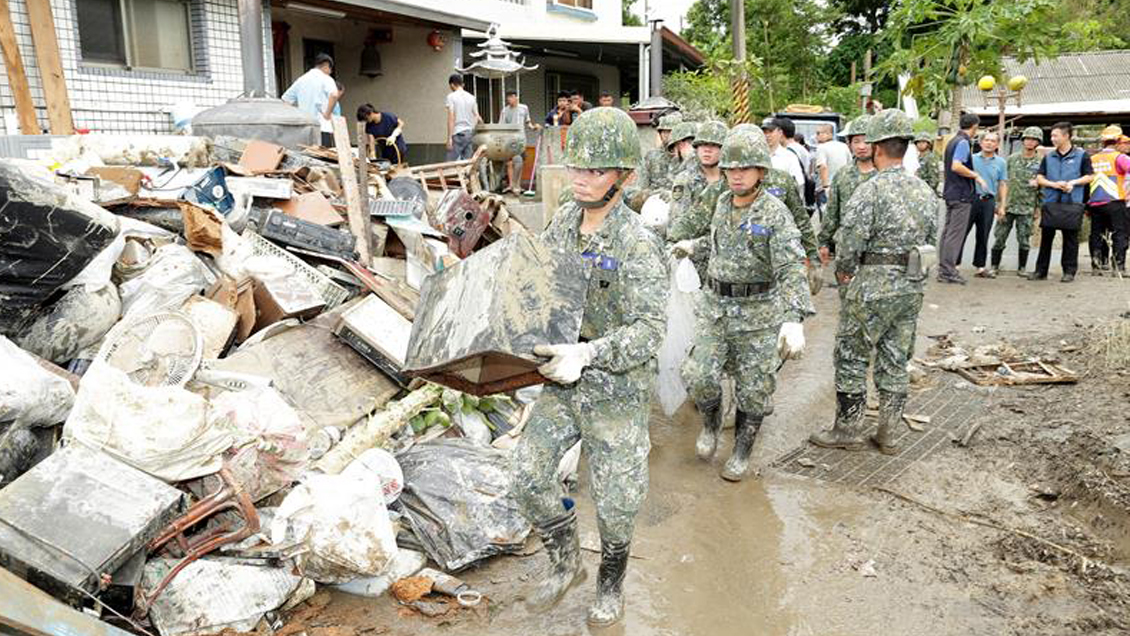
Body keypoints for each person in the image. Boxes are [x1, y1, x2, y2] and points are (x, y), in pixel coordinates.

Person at [511, 107, 666, 627]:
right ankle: (565, 563)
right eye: (576, 167)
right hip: (561, 376)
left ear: (623, 177)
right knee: (528, 476)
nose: (581, 179)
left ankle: (610, 582)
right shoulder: (562, 222)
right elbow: (539, 284)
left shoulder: (638, 243)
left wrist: (590, 354)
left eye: (595, 171)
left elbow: (650, 330)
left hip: (615, 386)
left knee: (618, 503)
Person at [672, 125, 813, 481]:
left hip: (758, 312)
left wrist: (794, 317)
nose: (736, 176)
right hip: (715, 305)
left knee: (754, 390)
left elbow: (790, 265)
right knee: (698, 374)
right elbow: (720, 244)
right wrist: (695, 246)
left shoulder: (774, 213)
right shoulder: (720, 202)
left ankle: (741, 451)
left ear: (760, 172)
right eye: (731, 169)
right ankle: (711, 422)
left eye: (744, 169)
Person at [809, 109, 938, 453]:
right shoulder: (924, 191)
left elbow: (849, 242)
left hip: (871, 285)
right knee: (895, 357)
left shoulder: (870, 190)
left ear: (878, 147)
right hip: (911, 285)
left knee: (851, 354)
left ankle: (848, 429)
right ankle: (889, 433)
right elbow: (931, 239)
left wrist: (845, 273)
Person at [1032, 121, 1093, 282]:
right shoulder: (1049, 156)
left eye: (1055, 135)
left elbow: (1090, 176)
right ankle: (1040, 271)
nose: (1052, 139)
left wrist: (1072, 183)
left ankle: (1069, 271)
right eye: (1052, 135)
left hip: (1072, 202)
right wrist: (1053, 184)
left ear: (1066, 136)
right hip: (1051, 202)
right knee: (1046, 238)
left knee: (1070, 239)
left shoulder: (1081, 155)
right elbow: (1039, 177)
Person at [667, 121, 728, 277]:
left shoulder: (733, 180)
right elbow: (678, 224)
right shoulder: (685, 180)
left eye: (714, 145)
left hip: (727, 260)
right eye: (702, 145)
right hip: (695, 262)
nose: (707, 150)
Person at [818, 115, 876, 270]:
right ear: (849, 144)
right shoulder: (842, 175)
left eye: (867, 141)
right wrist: (823, 242)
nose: (861, 146)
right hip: (847, 252)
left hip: (877, 254)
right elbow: (832, 213)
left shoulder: (885, 175)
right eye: (856, 141)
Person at [938, 113, 987, 285]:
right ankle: (949, 271)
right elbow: (957, 166)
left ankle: (943, 269)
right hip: (961, 195)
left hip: (951, 192)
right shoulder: (963, 142)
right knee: (955, 234)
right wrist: (976, 176)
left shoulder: (952, 141)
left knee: (947, 232)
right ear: (974, 126)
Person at [991, 126, 1043, 276]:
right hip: (1008, 205)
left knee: (1024, 239)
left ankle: (1022, 268)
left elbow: (1042, 188)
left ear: (1037, 142)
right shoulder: (1012, 159)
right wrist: (998, 203)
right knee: (1000, 237)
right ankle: (994, 266)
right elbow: (1002, 182)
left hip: (1027, 206)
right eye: (1027, 138)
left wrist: (1038, 208)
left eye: (1033, 139)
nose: (1029, 142)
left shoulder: (1040, 162)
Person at [963, 131, 1008, 278]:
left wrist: (1002, 205)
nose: (989, 143)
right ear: (981, 143)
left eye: (993, 141)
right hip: (971, 199)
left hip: (988, 201)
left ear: (997, 145)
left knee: (983, 235)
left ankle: (980, 267)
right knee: (962, 232)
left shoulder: (1001, 162)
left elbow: (1002, 184)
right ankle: (954, 264)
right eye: (986, 140)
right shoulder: (971, 159)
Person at [1086, 125, 1130, 275]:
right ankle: (1118, 266)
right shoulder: (1120, 157)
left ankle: (1096, 264)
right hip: (1115, 201)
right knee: (1119, 233)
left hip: (1095, 202)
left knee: (1096, 234)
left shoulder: (1093, 158)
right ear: (1118, 141)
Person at [280, 53, 340, 147]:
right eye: (330, 69)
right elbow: (334, 94)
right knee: (325, 158)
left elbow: (285, 100)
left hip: (304, 128)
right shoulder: (326, 78)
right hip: (322, 127)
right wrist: (327, 114)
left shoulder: (301, 80)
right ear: (326, 65)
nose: (330, 72)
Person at [500, 90, 539, 194]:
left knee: (518, 162)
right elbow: (502, 126)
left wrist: (533, 127)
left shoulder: (524, 108)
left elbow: (528, 122)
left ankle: (515, 185)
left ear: (516, 97)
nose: (509, 99)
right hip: (510, 140)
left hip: (521, 139)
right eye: (507, 98)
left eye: (511, 97)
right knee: (513, 162)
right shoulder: (505, 110)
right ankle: (514, 185)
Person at [761, 117, 806, 196]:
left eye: (771, 132)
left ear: (780, 133)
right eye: (764, 132)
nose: (767, 135)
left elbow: (799, 184)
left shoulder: (789, 157)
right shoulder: (758, 156)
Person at [445, 73, 481, 161]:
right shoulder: (472, 97)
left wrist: (449, 138)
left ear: (452, 85)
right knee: (467, 165)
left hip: (458, 133)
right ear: (462, 84)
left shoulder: (451, 97)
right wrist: (472, 129)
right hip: (469, 133)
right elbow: (477, 116)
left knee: (450, 165)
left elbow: (451, 117)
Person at [816, 123, 852, 205]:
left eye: (818, 133)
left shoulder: (821, 148)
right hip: (843, 186)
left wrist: (825, 187)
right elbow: (850, 164)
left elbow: (823, 166)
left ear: (828, 134)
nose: (816, 136)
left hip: (828, 187)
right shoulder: (844, 146)